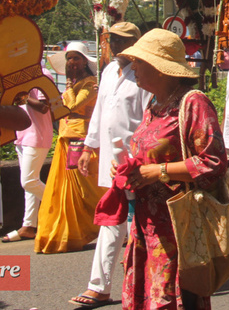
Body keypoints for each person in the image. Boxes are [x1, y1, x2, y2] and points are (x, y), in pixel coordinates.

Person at [103, 28, 227, 310]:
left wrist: (158, 172)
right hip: (146, 221)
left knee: (171, 297)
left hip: (178, 226)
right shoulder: (154, 103)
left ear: (160, 69)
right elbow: (148, 152)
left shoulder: (193, 103)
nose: (134, 68)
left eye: (140, 62)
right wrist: (128, 168)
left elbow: (213, 162)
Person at [69, 22, 152, 307]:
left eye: (123, 40)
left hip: (135, 160)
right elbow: (100, 113)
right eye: (113, 40)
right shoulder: (107, 72)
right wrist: (88, 147)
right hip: (110, 158)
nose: (116, 45)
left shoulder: (144, 72)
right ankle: (103, 285)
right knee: (116, 219)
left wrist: (142, 158)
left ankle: (121, 283)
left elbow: (149, 118)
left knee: (132, 221)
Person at [34, 41, 103, 253]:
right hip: (66, 137)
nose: (71, 62)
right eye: (69, 58)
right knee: (66, 189)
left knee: (84, 188)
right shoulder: (72, 84)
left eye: (76, 58)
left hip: (80, 139)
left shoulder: (90, 83)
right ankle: (72, 232)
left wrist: (70, 87)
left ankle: (107, 223)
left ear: (84, 62)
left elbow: (71, 106)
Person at [1, 67, 55, 243]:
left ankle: (63, 208)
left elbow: (44, 107)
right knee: (29, 186)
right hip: (22, 135)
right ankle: (28, 226)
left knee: (29, 181)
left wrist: (24, 97)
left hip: (36, 135)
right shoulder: (18, 78)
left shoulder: (42, 75)